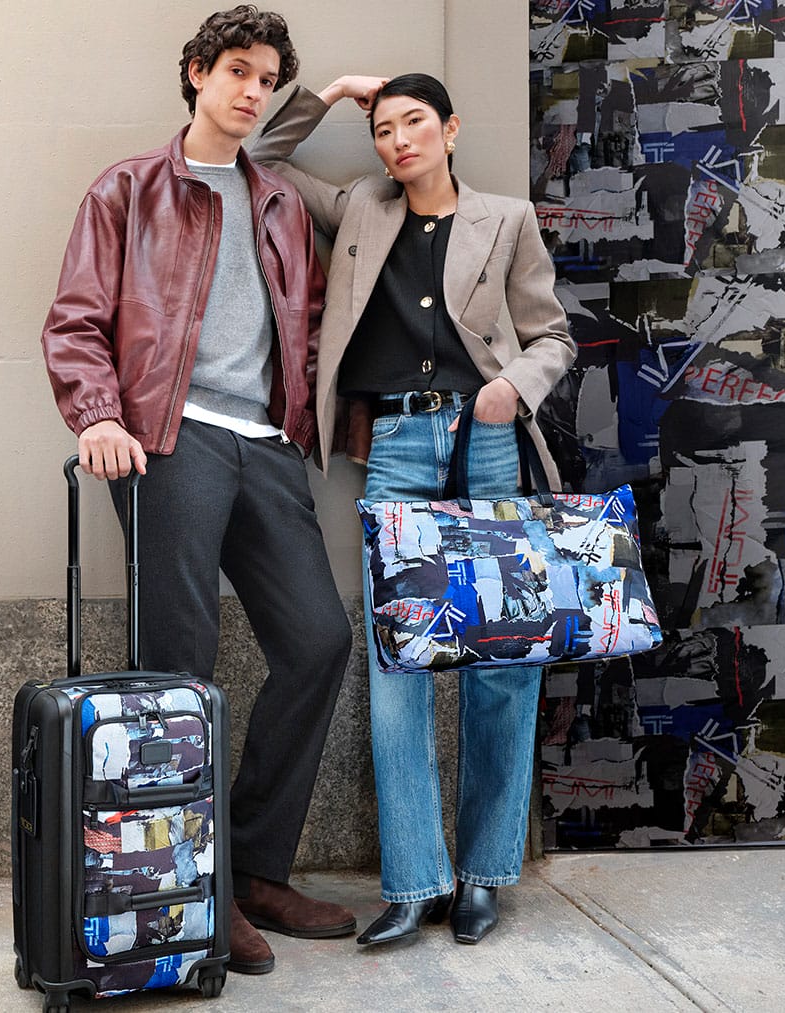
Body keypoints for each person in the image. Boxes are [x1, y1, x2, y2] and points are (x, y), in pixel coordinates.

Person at [41, 6, 356, 974]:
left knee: (319, 640)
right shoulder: (128, 189)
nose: (252, 91)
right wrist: (98, 414)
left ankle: (252, 869)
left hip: (265, 443)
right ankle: (190, 890)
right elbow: (77, 317)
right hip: (169, 439)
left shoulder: (280, 201)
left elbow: (308, 323)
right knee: (177, 666)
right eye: (238, 72)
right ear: (197, 73)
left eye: (267, 79)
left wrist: (309, 422)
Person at [247, 73, 577, 946]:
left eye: (415, 123)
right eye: (385, 128)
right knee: (402, 658)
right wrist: (332, 93)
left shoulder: (506, 218)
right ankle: (414, 881)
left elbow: (553, 335)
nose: (398, 141)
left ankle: (484, 875)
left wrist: (514, 385)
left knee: (503, 657)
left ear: (450, 129)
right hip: (395, 446)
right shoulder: (360, 206)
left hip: (488, 441)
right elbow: (258, 155)